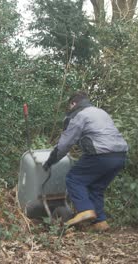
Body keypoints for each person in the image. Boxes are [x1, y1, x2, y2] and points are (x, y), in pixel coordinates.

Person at [43, 92, 128, 231]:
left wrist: (50, 161)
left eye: (69, 106)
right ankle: (100, 222)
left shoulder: (78, 115)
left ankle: (85, 210)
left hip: (101, 155)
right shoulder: (100, 112)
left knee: (74, 178)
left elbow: (65, 145)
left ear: (73, 104)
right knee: (96, 187)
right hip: (120, 155)